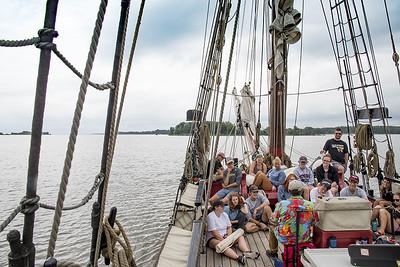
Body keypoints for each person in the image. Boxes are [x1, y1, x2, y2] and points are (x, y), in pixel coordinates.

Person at [266, 180, 319, 259]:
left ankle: (273, 251)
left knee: (271, 227)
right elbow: (315, 222)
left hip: (286, 238)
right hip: (303, 238)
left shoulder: (282, 204)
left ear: (289, 191)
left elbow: (274, 221)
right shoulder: (310, 205)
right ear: (301, 191)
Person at [206, 200, 248, 264]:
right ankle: (238, 258)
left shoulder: (225, 214)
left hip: (225, 236)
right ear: (216, 207)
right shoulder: (210, 216)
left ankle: (247, 252)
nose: (223, 208)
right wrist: (225, 241)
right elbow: (214, 232)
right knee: (222, 245)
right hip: (213, 238)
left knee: (240, 237)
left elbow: (229, 227)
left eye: (223, 206)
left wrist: (229, 237)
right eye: (221, 206)